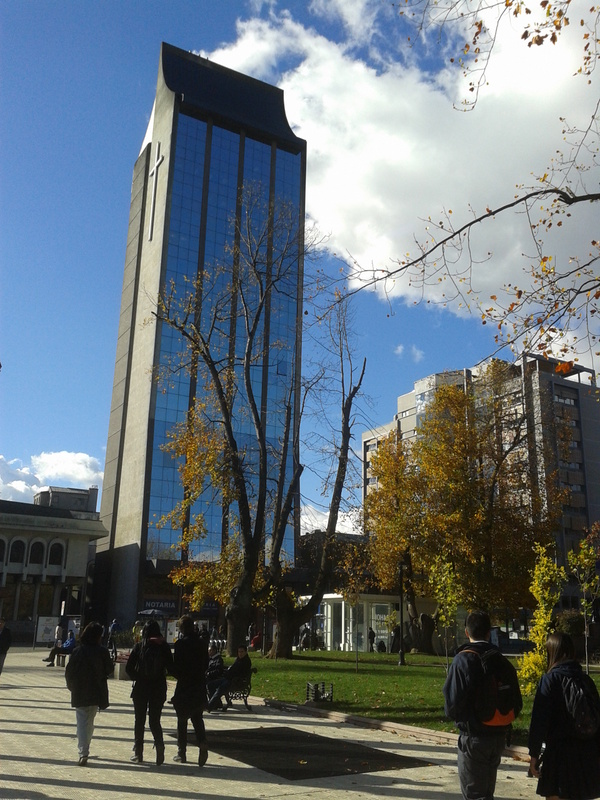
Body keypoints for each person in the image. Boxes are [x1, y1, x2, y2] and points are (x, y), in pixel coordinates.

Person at [443, 610, 522, 800]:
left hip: (474, 736)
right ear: (489, 633)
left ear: (467, 632)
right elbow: (516, 702)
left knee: (474, 794)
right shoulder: (501, 660)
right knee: (487, 792)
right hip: (498, 735)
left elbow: (452, 705)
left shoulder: (463, 660)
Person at [529, 632, 600, 800]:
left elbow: (539, 721)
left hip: (558, 757)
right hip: (586, 755)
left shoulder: (549, 680)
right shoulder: (586, 681)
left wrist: (534, 755)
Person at [65, 621, 114, 766]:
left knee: (82, 721)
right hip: (96, 690)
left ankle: (83, 751)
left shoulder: (78, 651)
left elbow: (69, 672)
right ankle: (85, 748)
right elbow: (109, 669)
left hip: (80, 690)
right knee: (89, 720)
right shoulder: (102, 651)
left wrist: (71, 686)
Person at [126, 619, 174, 765]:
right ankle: (159, 744)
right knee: (155, 720)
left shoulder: (140, 646)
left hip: (141, 687)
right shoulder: (164, 647)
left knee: (139, 720)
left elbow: (129, 668)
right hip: (158, 687)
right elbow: (171, 668)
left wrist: (138, 677)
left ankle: (138, 752)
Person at [171, 615, 209, 766]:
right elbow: (206, 664)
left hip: (184, 686)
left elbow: (176, 667)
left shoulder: (180, 644)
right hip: (199, 685)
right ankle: (202, 742)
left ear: (181, 629)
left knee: (182, 719)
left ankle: (182, 752)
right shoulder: (202, 643)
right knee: (197, 717)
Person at [207, 643, 251, 711]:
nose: (240, 653)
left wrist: (229, 672)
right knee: (210, 685)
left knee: (220, 689)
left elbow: (238, 672)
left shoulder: (246, 662)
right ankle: (216, 704)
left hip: (235, 681)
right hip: (228, 678)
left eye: (242, 652)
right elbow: (232, 669)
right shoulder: (238, 660)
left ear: (245, 652)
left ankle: (210, 706)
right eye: (239, 652)